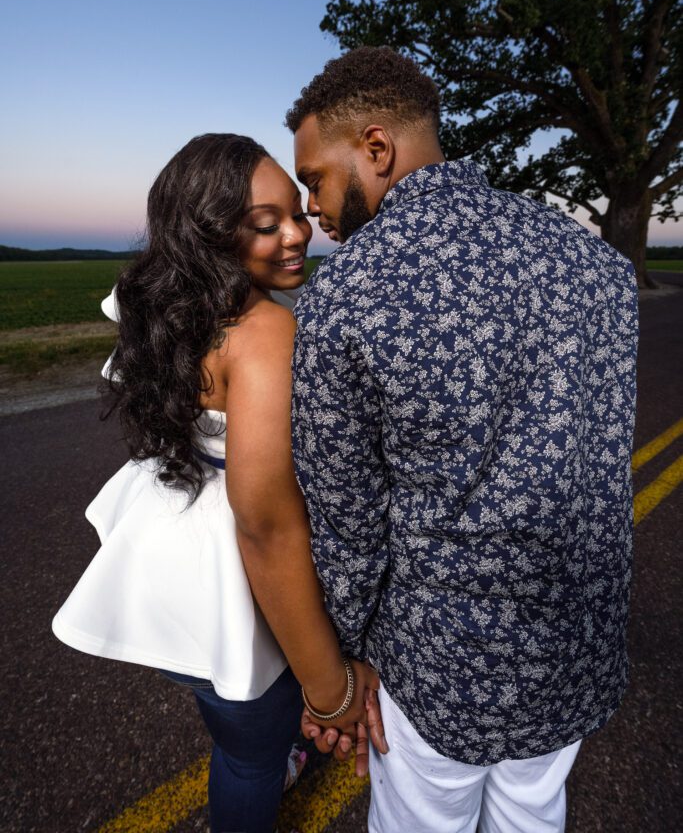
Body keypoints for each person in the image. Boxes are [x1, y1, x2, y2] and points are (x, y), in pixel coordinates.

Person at [286, 47, 639, 833]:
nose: (310, 205)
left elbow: (346, 524)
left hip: (430, 665)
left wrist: (343, 669)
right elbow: (601, 464)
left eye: (314, 177)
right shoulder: (599, 268)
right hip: (569, 648)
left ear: (376, 149)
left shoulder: (345, 295)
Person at [52, 134, 385, 833]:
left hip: (167, 557)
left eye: (296, 213)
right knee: (250, 758)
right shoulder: (264, 331)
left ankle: (267, 749)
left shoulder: (160, 300)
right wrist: (330, 693)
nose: (298, 234)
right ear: (208, 232)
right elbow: (265, 525)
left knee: (237, 730)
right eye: (266, 225)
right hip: (230, 578)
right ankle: (272, 756)